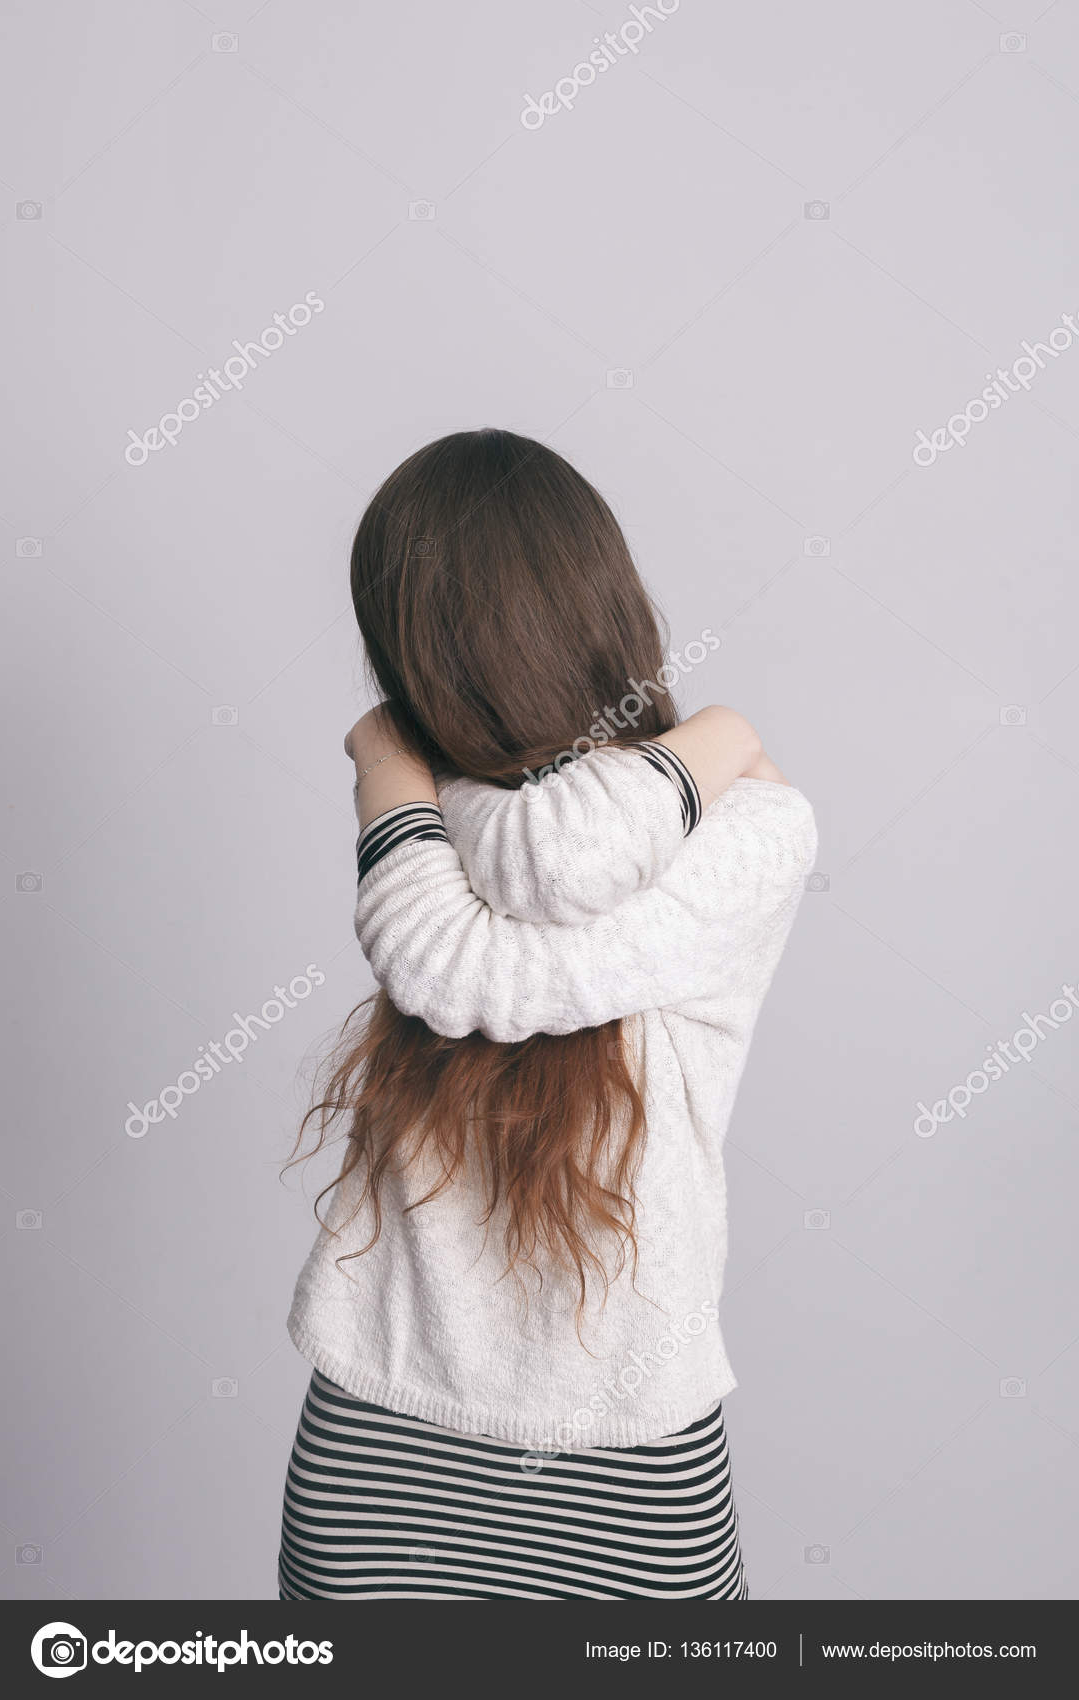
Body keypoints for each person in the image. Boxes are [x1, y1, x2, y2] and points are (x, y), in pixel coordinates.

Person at [279, 428, 817, 1600]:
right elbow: (509, 891)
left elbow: (520, 896)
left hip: (626, 1460)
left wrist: (384, 761)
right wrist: (723, 730)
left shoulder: (749, 830)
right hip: (382, 1438)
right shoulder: (452, 812)